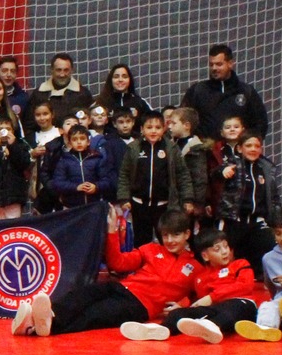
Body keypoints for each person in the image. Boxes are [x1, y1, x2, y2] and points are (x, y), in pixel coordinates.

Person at [14, 211, 197, 338]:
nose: (170, 241)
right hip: (121, 287)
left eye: (176, 235)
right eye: (166, 235)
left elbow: (201, 295)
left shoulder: (196, 265)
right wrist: (111, 232)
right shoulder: (150, 249)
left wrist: (182, 304)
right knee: (81, 295)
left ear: (187, 234)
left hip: (139, 306)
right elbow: (119, 263)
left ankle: (35, 327)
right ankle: (44, 318)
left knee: (94, 315)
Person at [119, 228, 281, 343]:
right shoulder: (200, 277)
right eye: (217, 249)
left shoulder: (240, 264)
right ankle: (159, 330)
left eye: (226, 246)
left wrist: (212, 297)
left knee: (231, 310)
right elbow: (195, 298)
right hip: (214, 307)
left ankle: (212, 326)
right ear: (205, 255)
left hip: (242, 304)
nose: (224, 252)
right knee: (179, 314)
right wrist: (181, 305)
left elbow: (245, 286)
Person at [116, 113, 188, 247]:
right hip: (139, 205)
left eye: (158, 127)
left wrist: (188, 199)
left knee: (167, 241)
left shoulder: (172, 149)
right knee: (141, 243)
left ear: (164, 129)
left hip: (164, 205)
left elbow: (183, 175)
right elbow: (124, 175)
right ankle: (143, 267)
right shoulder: (133, 148)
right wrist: (124, 198)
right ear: (142, 129)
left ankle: (167, 267)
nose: (153, 131)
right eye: (149, 127)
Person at [180, 44, 269, 141]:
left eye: (219, 64)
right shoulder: (197, 91)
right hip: (206, 153)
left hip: (238, 153)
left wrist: (247, 144)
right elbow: (182, 119)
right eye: (211, 64)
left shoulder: (246, 91)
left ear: (230, 64)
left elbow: (261, 123)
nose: (214, 68)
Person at [218, 132, 277, 275]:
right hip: (234, 221)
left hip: (257, 222)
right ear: (239, 148)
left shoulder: (266, 169)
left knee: (268, 249)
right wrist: (222, 171)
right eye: (248, 145)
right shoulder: (232, 165)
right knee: (232, 260)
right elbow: (215, 174)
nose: (253, 149)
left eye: (257, 146)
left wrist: (275, 217)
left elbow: (274, 196)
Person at [48, 125, 116, 210]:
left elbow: (107, 180)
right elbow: (58, 183)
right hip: (71, 207)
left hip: (94, 206)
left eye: (82, 138)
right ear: (69, 142)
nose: (79, 142)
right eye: (74, 139)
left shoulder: (97, 158)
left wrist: (96, 187)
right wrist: (76, 187)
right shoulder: (64, 160)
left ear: (88, 142)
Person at [33, 54, 94, 119]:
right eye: (58, 70)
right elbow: (29, 123)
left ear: (72, 70)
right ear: (51, 70)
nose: (62, 74)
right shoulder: (39, 94)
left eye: (66, 70)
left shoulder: (83, 94)